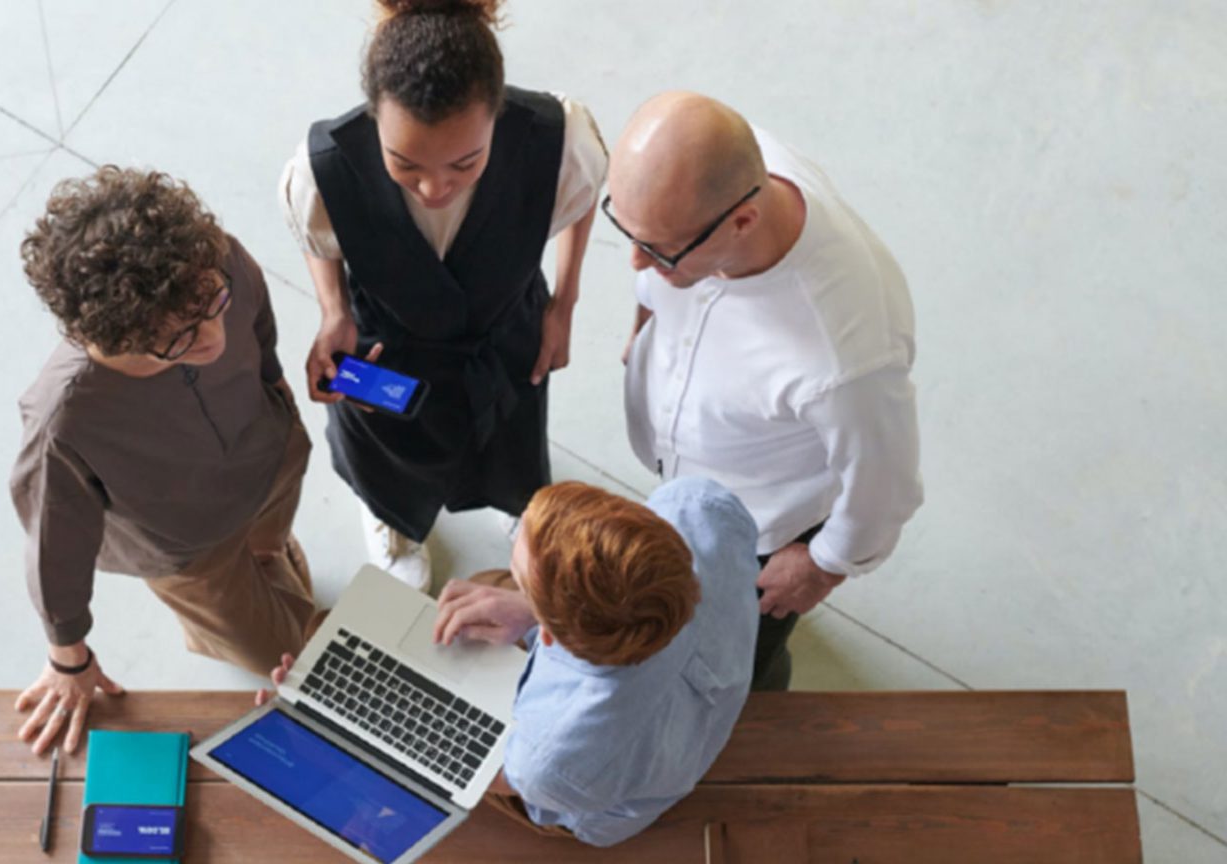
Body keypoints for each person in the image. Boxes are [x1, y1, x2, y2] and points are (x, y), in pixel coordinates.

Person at [280, 0, 607, 590]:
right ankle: (392, 518)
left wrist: (565, 303)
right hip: (390, 339)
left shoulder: (554, 138)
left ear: (497, 113)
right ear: (375, 116)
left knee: (513, 436)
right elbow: (319, 232)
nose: (435, 188)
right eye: (404, 164)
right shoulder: (323, 165)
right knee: (386, 444)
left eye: (466, 162)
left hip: (504, 326)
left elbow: (582, 199)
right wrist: (333, 310)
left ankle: (520, 509)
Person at [606, 92, 924, 691]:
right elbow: (653, 268)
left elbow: (886, 487)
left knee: (730, 666)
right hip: (692, 476)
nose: (635, 264)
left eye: (657, 249)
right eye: (628, 231)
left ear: (741, 222)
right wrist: (644, 325)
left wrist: (823, 567)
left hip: (758, 531)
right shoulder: (712, 182)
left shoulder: (846, 355)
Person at [257, 477, 759, 846]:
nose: (513, 564)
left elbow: (493, 772)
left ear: (551, 634)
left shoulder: (550, 760)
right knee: (465, 601)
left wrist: (338, 727)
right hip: (694, 713)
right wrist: (528, 604)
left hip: (596, 801)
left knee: (329, 631)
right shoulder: (698, 506)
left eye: (524, 578)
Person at [10, 167, 315, 755]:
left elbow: (255, 321)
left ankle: (270, 555)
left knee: (269, 545)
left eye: (211, 304)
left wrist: (275, 386)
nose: (212, 339)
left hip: (269, 454)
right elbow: (54, 548)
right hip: (191, 550)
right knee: (279, 654)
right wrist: (69, 658)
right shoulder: (64, 422)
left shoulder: (210, 264)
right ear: (111, 338)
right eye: (176, 340)